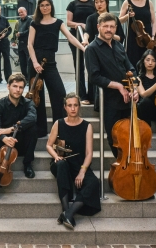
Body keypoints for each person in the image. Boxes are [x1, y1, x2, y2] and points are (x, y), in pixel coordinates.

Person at [27, 0, 86, 136]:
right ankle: (40, 130)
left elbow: (70, 37)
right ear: (39, 7)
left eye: (47, 5)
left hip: (50, 62)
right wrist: (35, 62)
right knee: (37, 98)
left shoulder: (58, 22)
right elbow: (29, 44)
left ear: (51, 6)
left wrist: (84, 48)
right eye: (42, 5)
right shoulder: (34, 23)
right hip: (35, 62)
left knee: (60, 94)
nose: (45, 7)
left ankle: (58, 128)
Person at [85, 12, 138, 158]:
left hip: (127, 100)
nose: (109, 29)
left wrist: (134, 87)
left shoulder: (119, 46)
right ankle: (122, 166)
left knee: (131, 135)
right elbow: (94, 77)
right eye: (105, 26)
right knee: (114, 138)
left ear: (115, 28)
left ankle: (131, 165)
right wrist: (119, 86)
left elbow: (131, 68)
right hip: (108, 101)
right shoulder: (92, 48)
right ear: (98, 27)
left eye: (112, 27)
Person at [46, 93, 101, 229]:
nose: (73, 108)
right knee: (62, 164)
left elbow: (89, 153)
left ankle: (68, 214)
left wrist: (82, 171)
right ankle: (67, 210)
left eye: (75, 105)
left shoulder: (87, 126)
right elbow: (48, 145)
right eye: (69, 105)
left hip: (79, 163)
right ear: (65, 107)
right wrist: (55, 156)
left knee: (93, 182)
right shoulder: (58, 123)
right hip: (60, 163)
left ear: (79, 107)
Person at [0, 73, 37, 203]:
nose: (18, 90)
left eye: (21, 87)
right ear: (8, 86)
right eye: (15, 86)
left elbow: (32, 118)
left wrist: (12, 128)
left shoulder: (28, 103)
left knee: (33, 129)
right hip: (5, 145)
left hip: (21, 142)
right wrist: (5, 138)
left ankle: (27, 164)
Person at [83, 0, 126, 106]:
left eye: (101, 1)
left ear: (106, 2)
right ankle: (92, 97)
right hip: (97, 48)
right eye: (96, 2)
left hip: (112, 50)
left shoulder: (114, 18)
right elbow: (87, 32)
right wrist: (85, 39)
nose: (99, 4)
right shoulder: (91, 18)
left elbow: (121, 37)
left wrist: (109, 33)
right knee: (95, 73)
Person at [66, 0, 96, 104]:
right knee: (79, 67)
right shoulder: (72, 4)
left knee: (92, 67)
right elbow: (68, 22)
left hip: (92, 39)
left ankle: (92, 95)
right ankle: (83, 96)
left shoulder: (94, 4)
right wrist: (80, 24)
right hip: (76, 38)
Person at [118, 0, 156, 66]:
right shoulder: (127, 2)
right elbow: (119, 21)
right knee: (133, 60)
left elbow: (154, 21)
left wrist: (153, 37)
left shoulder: (149, 3)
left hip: (147, 37)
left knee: (147, 61)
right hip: (133, 37)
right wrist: (128, 16)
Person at [15, 7, 33, 79]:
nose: (20, 14)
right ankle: (24, 78)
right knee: (22, 63)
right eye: (19, 13)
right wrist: (14, 40)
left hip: (27, 44)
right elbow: (15, 31)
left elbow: (30, 30)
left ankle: (29, 78)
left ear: (26, 11)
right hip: (20, 44)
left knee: (29, 62)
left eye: (21, 12)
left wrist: (21, 33)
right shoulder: (18, 21)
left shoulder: (30, 20)